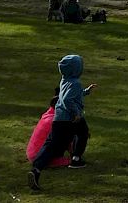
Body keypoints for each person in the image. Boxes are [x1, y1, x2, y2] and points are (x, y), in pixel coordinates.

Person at [28, 55, 96, 190]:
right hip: (70, 118)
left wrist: (86, 91)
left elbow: (72, 94)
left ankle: (36, 168)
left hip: (58, 118)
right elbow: (67, 99)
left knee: (52, 144)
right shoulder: (75, 83)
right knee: (83, 132)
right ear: (76, 69)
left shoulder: (65, 80)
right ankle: (76, 159)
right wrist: (76, 113)